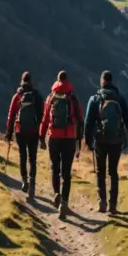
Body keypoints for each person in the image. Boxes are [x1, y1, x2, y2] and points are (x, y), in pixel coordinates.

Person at [84, 70, 128, 215]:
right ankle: (113, 206)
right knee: (113, 172)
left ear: (102, 81)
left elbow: (88, 122)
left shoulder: (95, 99)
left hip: (100, 140)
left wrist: (88, 140)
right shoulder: (120, 99)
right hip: (116, 140)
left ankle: (102, 202)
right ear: (111, 81)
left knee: (100, 171)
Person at [39, 70, 84, 219]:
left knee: (54, 168)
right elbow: (80, 118)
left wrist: (41, 137)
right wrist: (79, 139)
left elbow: (45, 119)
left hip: (53, 137)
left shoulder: (51, 97)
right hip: (69, 137)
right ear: (67, 80)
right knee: (66, 172)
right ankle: (64, 202)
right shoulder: (72, 98)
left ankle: (57, 194)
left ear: (57, 80)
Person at [6, 71, 44, 200]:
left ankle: (24, 181)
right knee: (32, 158)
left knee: (23, 155)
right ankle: (32, 182)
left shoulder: (17, 96)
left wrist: (9, 133)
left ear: (21, 81)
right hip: (33, 131)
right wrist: (40, 131)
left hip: (20, 130)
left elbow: (11, 116)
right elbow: (42, 115)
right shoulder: (37, 96)